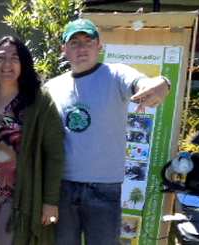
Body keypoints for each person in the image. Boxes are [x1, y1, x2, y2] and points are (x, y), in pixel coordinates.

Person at [44, 18, 171, 245]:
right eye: (74, 42)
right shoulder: (52, 87)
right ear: (64, 49)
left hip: (103, 190)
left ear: (99, 46)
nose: (82, 48)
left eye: (88, 41)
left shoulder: (115, 74)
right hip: (63, 189)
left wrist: (162, 83)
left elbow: (142, 83)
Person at [0, 36, 65, 245]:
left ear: (24, 64)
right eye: (1, 58)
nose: (7, 64)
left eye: (14, 58)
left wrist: (50, 201)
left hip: (19, 195)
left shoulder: (39, 102)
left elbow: (55, 153)